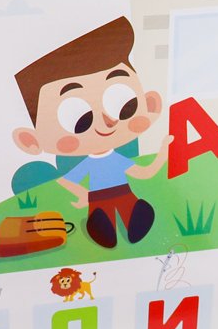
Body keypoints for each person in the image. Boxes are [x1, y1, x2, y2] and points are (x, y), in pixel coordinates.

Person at [13, 17, 168, 248]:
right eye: (79, 120)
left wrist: (163, 152)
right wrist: (84, 195)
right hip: (98, 200)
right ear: (31, 141)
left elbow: (144, 173)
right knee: (103, 218)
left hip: (124, 194)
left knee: (131, 209)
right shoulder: (95, 163)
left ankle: (131, 217)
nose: (106, 123)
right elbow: (65, 181)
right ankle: (102, 223)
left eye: (124, 105)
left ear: (150, 104)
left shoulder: (115, 159)